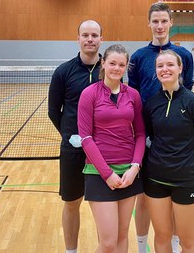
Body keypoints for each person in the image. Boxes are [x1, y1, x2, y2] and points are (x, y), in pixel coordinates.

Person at [127, 1, 194, 253]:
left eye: (164, 21)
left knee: (175, 195)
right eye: (155, 21)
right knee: (143, 197)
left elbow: (188, 91)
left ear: (170, 23)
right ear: (149, 24)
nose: (159, 25)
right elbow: (132, 95)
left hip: (174, 136)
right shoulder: (138, 57)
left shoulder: (184, 55)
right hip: (145, 134)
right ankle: (142, 246)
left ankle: (175, 245)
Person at [77, 44, 146, 252]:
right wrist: (107, 174)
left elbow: (141, 134)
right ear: (103, 63)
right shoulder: (89, 94)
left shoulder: (133, 95)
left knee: (122, 237)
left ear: (126, 67)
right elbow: (86, 137)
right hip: (99, 173)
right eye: (112, 63)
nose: (116, 68)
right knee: (108, 243)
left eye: (121, 64)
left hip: (128, 173)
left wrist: (135, 167)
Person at [143, 50, 194, 253]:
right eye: (160, 66)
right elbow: (149, 137)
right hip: (156, 181)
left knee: (187, 240)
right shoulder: (152, 104)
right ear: (156, 71)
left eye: (170, 65)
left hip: (186, 181)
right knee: (162, 236)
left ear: (180, 68)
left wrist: (188, 162)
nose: (165, 69)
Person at [48, 19, 103, 253]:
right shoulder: (63, 72)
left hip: (104, 150)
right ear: (78, 39)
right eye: (85, 35)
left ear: (101, 39)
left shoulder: (110, 69)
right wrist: (70, 134)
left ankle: (107, 248)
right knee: (71, 203)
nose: (90, 39)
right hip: (73, 149)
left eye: (94, 35)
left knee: (103, 205)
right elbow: (53, 111)